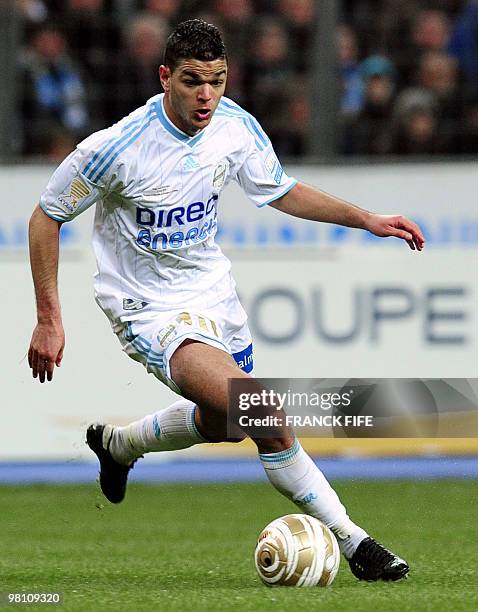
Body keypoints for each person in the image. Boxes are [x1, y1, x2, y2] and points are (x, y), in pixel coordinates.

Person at [28, 19, 424, 582]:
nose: (207, 95)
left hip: (212, 295)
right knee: (264, 413)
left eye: (217, 80)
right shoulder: (115, 148)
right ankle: (355, 541)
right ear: (165, 77)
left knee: (224, 423)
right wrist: (48, 318)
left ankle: (117, 446)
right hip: (148, 308)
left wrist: (365, 219)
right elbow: (46, 215)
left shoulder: (234, 127)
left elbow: (280, 188)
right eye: (193, 81)